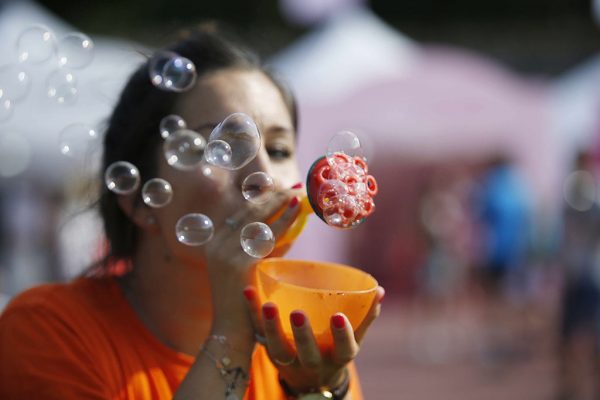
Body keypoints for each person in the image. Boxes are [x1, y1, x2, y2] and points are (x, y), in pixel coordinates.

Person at [0, 26, 384, 399]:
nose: (264, 177)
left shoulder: (303, 335)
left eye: (280, 150)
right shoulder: (48, 331)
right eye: (224, 147)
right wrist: (230, 338)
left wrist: (318, 389)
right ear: (137, 199)